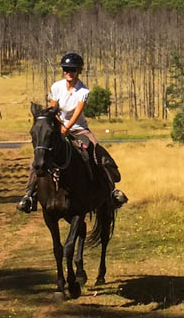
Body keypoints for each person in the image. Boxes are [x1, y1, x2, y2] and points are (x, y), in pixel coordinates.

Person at [17, 52, 128, 213]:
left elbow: (77, 113)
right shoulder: (56, 87)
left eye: (73, 69)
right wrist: (59, 127)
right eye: (66, 69)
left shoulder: (83, 91)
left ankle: (111, 191)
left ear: (79, 71)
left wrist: (66, 128)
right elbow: (53, 109)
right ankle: (29, 195)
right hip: (57, 128)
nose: (69, 72)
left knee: (97, 153)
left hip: (79, 128)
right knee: (38, 158)